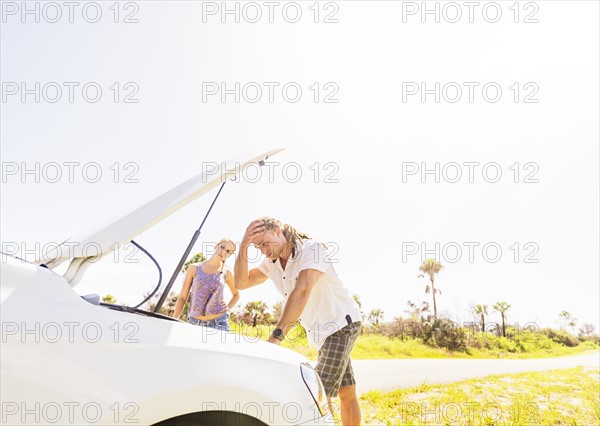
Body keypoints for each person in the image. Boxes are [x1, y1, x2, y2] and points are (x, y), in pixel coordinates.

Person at [234, 217, 362, 425]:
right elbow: (241, 282)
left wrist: (276, 337)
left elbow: (302, 291)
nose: (263, 250)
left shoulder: (311, 249)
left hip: (341, 325)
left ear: (278, 231)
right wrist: (243, 247)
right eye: (257, 247)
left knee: (315, 392)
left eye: (264, 243)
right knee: (346, 391)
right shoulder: (271, 263)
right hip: (323, 333)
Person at [173, 238, 239, 331]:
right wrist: (174, 320)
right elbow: (183, 297)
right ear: (216, 245)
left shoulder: (227, 273)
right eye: (222, 247)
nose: (223, 252)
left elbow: (236, 295)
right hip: (195, 323)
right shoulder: (194, 268)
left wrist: (228, 308)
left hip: (220, 323)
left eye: (228, 251)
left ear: (229, 255)